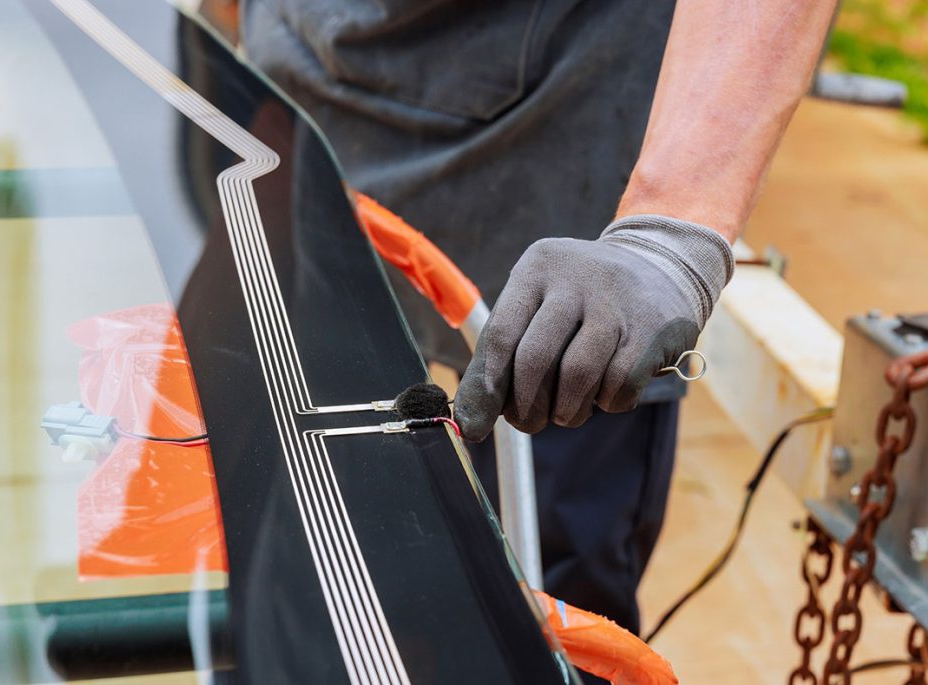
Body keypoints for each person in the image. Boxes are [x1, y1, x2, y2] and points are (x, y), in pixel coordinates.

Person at [241, 0, 837, 650]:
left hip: (563, 168)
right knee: (308, 572)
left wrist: (670, 230)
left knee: (542, 608)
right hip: (300, 121)